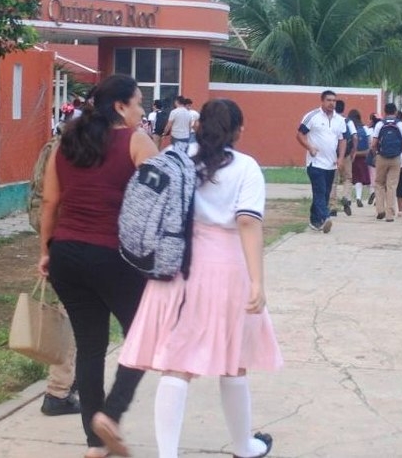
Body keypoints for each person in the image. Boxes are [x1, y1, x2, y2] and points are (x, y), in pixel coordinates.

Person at [118, 98, 282, 458]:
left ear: (196, 124)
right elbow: (247, 222)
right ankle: (244, 446)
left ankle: (167, 454)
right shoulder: (246, 167)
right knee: (234, 360)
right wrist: (258, 282)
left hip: (178, 264)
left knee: (177, 364)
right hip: (227, 268)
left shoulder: (177, 159)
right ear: (239, 130)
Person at [37, 74, 158, 458]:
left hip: (66, 256)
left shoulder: (66, 144)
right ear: (120, 106)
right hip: (114, 256)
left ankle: (94, 444)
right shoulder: (137, 142)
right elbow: (159, 200)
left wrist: (45, 251)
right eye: (138, 102)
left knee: (91, 347)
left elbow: (49, 204)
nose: (141, 110)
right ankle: (111, 414)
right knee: (143, 336)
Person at [296, 90, 348, 233]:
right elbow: (300, 134)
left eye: (334, 100)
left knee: (324, 194)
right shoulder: (312, 116)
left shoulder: (340, 120)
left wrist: (341, 157)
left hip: (331, 164)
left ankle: (314, 221)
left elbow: (343, 139)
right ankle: (325, 218)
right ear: (322, 101)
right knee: (320, 191)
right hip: (315, 163)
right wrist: (309, 147)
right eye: (329, 100)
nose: (332, 103)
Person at [371, 103, 402, 222]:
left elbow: (373, 144)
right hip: (396, 158)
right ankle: (390, 214)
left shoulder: (380, 124)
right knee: (392, 185)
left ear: (384, 111)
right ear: (395, 112)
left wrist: (375, 155)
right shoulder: (400, 124)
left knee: (379, 183)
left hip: (381, 157)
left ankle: (380, 210)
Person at [329, 99, 357, 217]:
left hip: (332, 155)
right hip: (345, 154)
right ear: (344, 109)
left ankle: (332, 206)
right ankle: (346, 197)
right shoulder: (347, 121)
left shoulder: (331, 120)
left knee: (332, 181)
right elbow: (355, 136)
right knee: (347, 178)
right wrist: (353, 151)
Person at [347, 109, 371, 208]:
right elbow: (369, 143)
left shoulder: (348, 126)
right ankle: (358, 197)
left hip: (349, 156)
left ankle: (347, 198)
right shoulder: (365, 128)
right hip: (362, 157)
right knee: (359, 179)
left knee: (348, 178)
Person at [365, 113, 380, 204]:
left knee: (372, 176)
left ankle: (372, 193)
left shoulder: (369, 130)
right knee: (380, 177)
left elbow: (370, 145)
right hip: (382, 154)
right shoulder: (382, 129)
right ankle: (377, 198)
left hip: (372, 155)